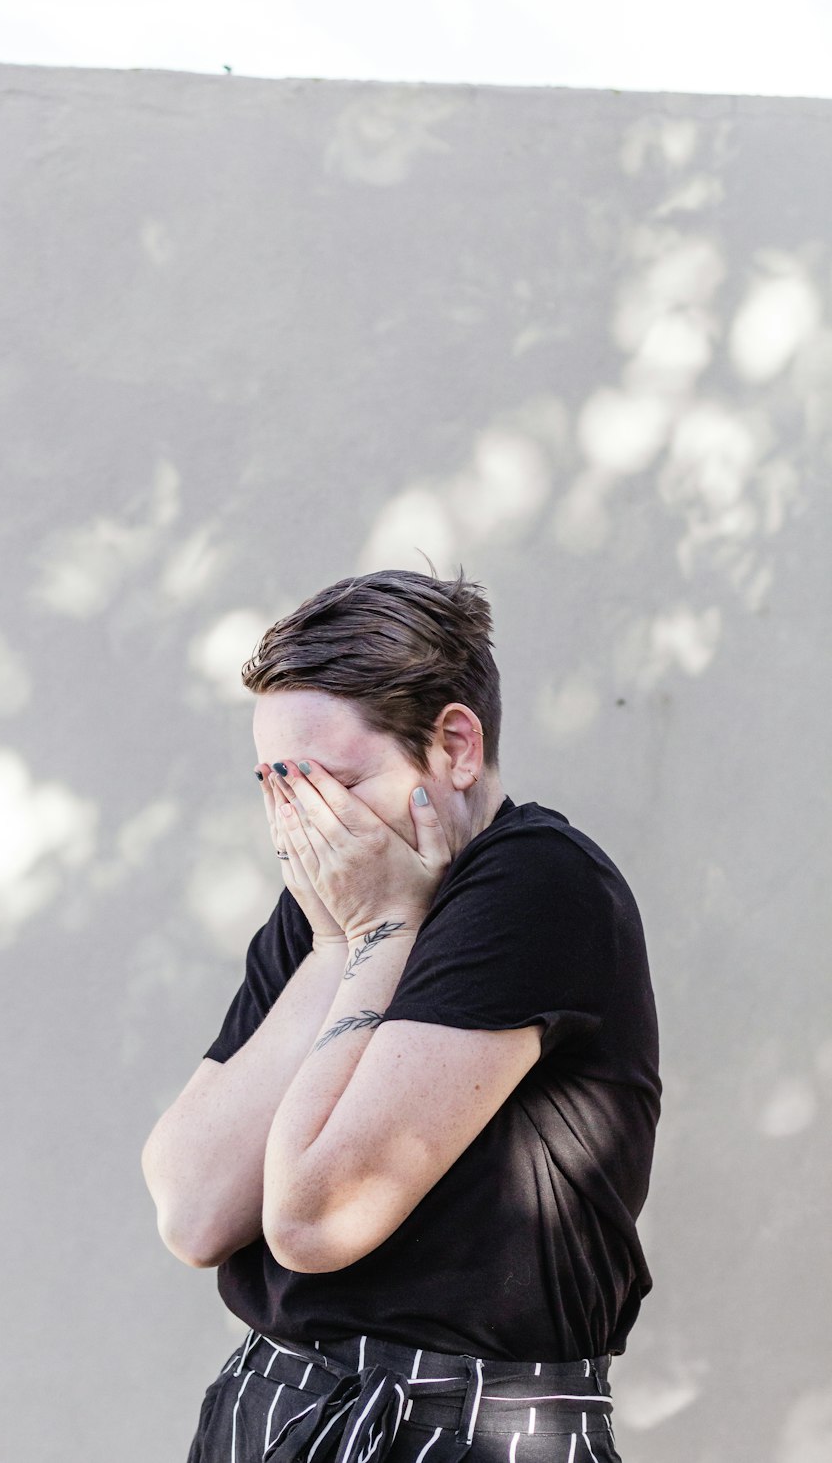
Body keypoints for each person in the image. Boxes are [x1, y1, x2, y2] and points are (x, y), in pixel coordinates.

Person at [141, 565, 660, 1462]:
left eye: (330, 783)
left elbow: (314, 1222)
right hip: (280, 1404)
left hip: (461, 1425)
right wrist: (345, 942)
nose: (298, 828)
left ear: (456, 745)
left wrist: (374, 932)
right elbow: (194, 1212)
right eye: (277, 787)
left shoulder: (538, 882)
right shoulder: (330, 903)